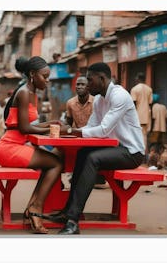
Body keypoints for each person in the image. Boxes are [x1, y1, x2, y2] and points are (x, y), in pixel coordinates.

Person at [49, 62, 145, 235]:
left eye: (90, 80)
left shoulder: (119, 96)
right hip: (115, 148)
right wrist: (70, 132)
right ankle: (67, 212)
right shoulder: (100, 100)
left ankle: (73, 220)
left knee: (93, 158)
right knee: (83, 153)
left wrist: (71, 131)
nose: (87, 84)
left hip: (132, 152)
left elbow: (103, 130)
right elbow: (91, 127)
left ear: (102, 79)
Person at [0, 56, 63, 234]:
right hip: (10, 147)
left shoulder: (31, 92)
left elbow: (26, 125)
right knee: (56, 163)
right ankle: (35, 209)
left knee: (54, 160)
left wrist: (51, 123)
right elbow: (25, 128)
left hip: (16, 144)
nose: (47, 81)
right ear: (32, 74)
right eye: (44, 77)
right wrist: (50, 130)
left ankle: (33, 207)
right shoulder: (25, 92)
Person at [65, 76, 107, 189]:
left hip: (95, 139)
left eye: (82, 84)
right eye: (77, 84)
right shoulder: (70, 103)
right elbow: (68, 124)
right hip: (78, 138)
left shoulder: (97, 101)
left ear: (88, 87)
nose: (79, 87)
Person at [130, 72, 153, 152]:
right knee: (144, 136)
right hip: (146, 116)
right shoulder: (149, 89)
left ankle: (139, 153)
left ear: (138, 79)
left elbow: (133, 104)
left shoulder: (134, 89)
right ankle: (143, 153)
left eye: (136, 78)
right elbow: (150, 104)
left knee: (136, 135)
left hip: (137, 116)